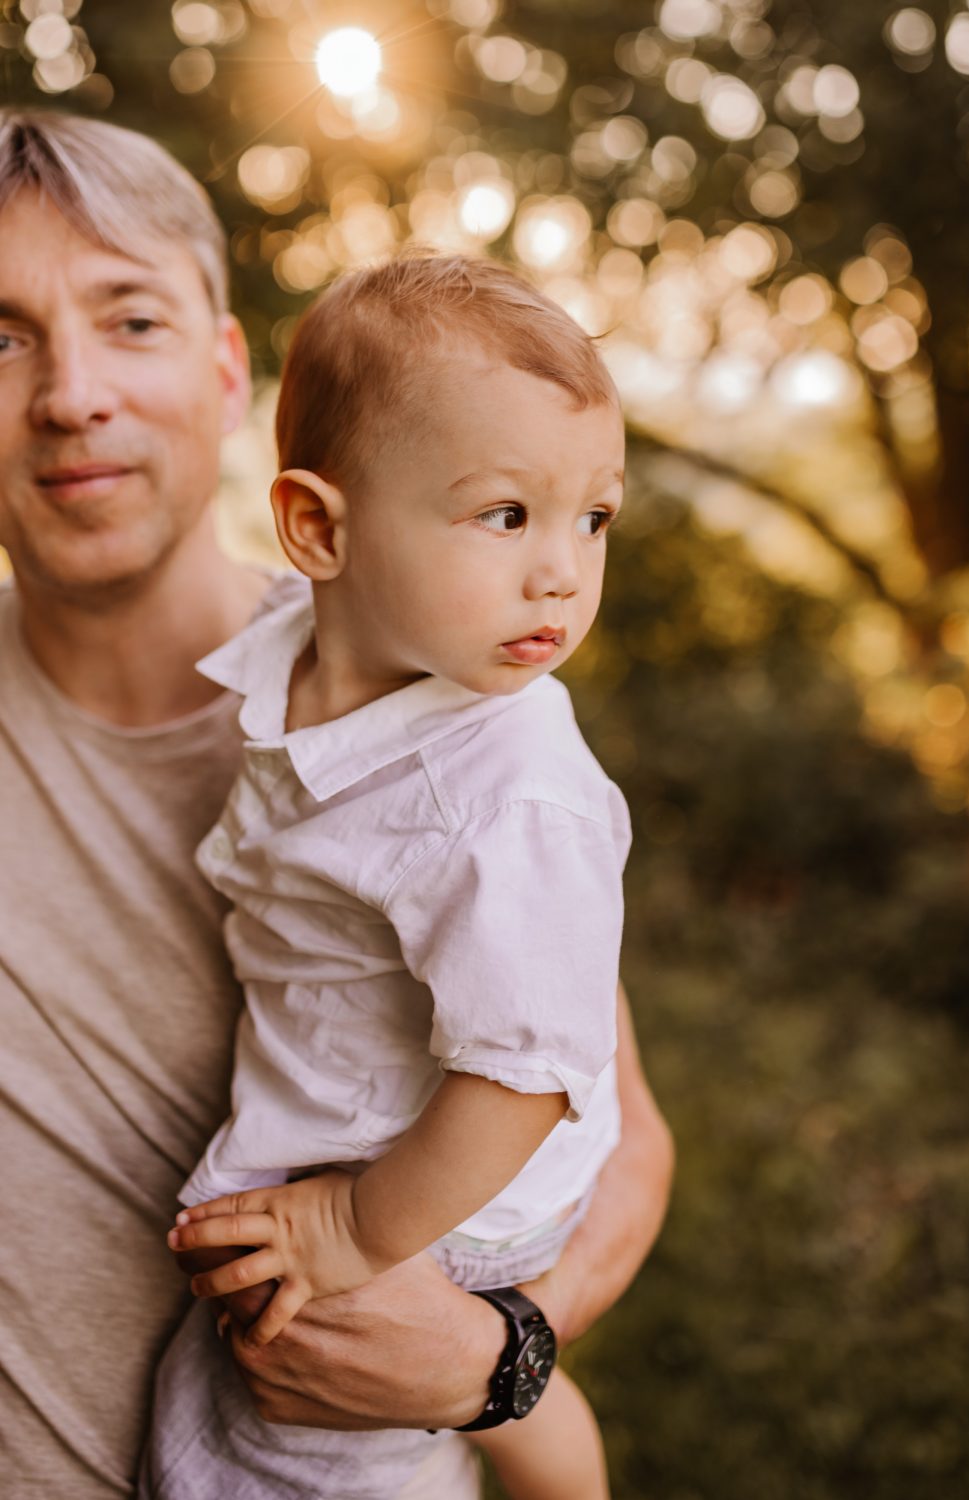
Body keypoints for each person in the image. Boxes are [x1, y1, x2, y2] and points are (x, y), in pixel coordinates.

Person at [0, 107, 674, 1500]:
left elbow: (602, 1126)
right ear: (317, 513)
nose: (71, 394)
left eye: (131, 320)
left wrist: (497, 1363)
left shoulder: (449, 701)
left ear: (223, 369)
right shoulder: (332, 678)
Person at [142, 254, 629, 1500]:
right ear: (319, 530)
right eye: (506, 515)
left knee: (283, 1449)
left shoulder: (509, 787)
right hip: (383, 1143)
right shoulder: (296, 648)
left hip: (439, 1190)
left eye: (594, 517)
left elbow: (525, 1072)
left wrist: (348, 1229)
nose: (563, 571)